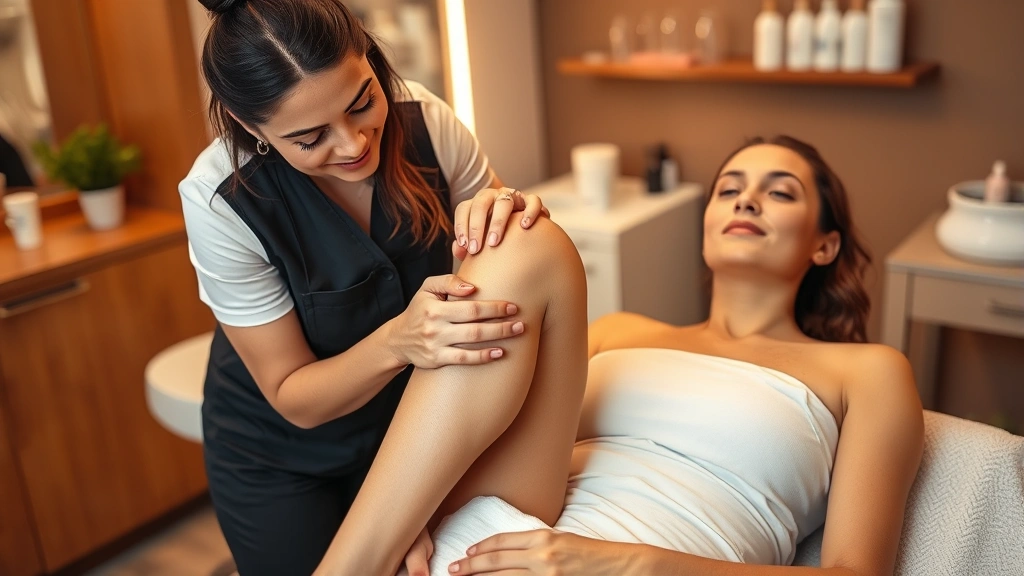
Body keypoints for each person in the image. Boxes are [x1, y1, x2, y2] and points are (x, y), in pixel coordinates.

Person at [180, 1, 588, 575]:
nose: (352, 145)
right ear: (252, 127)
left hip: (411, 421)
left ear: (370, 60)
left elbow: (500, 254)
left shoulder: (428, 121)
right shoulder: (220, 198)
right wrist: (399, 341)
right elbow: (294, 395)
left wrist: (508, 219)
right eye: (310, 137)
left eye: (362, 101)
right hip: (282, 453)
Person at [434, 136, 925, 576]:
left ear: (825, 245)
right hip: (477, 545)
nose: (747, 202)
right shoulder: (617, 331)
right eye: (729, 191)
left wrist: (633, 564)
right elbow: (485, 435)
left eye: (779, 193)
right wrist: (421, 520)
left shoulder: (867, 372)